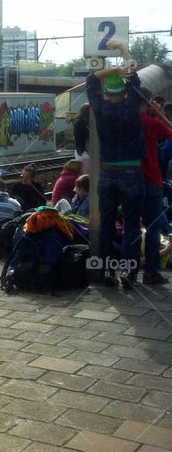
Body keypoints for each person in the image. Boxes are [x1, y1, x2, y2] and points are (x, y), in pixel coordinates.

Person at [86, 40, 145, 286]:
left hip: (107, 173)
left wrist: (111, 70)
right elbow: (134, 77)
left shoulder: (99, 108)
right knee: (131, 223)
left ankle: (105, 270)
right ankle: (129, 273)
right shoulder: (132, 104)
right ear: (123, 90)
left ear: (106, 93)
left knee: (107, 222)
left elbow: (91, 79)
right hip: (131, 171)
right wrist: (122, 49)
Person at [138, 87, 172, 285]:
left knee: (132, 227)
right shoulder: (152, 122)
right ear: (149, 102)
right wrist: (159, 112)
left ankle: (129, 272)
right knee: (152, 228)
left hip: (129, 180)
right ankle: (150, 272)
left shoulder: (128, 121)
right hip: (151, 180)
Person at [73, 103, 91, 174]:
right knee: (87, 174)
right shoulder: (80, 122)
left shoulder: (80, 121)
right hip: (84, 152)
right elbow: (89, 134)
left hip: (82, 152)